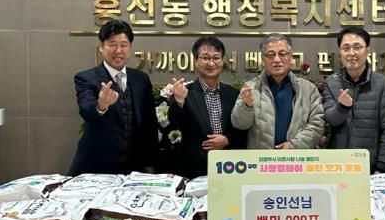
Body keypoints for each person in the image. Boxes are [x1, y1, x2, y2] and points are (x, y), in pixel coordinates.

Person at [68, 19, 159, 175]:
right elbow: (86, 111)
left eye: (124, 45)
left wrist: (150, 163)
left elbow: (149, 125)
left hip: (134, 166)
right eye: (112, 44)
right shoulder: (86, 78)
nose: (118, 50)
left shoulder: (141, 79)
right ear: (101, 47)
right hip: (97, 165)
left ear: (130, 47)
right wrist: (101, 105)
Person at [167, 36, 247, 178]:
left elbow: (242, 129)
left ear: (222, 61)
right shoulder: (185, 92)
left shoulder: (233, 94)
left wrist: (227, 140)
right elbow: (174, 124)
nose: (211, 63)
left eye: (216, 58)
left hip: (228, 166)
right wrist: (179, 100)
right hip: (194, 168)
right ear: (196, 61)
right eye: (205, 58)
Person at [322, 27, 385, 173]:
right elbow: (331, 120)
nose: (351, 53)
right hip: (338, 165)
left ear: (367, 50)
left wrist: (383, 166)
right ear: (340, 52)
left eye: (357, 47)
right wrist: (342, 107)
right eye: (346, 48)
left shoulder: (382, 84)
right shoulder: (331, 82)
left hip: (370, 166)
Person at [231, 33, 324, 149]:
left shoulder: (308, 89)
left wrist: (294, 145)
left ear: (290, 57)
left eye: (282, 54)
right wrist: (246, 106)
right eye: (270, 55)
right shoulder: (251, 87)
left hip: (297, 156)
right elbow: (239, 124)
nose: (276, 60)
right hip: (262, 158)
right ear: (263, 59)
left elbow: (317, 124)